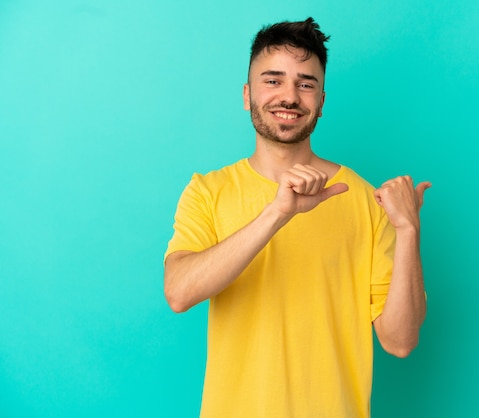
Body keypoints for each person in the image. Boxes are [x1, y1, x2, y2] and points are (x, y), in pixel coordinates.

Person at [164, 17, 430, 418]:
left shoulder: (363, 197)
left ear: (321, 101)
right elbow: (179, 293)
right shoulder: (208, 191)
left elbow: (400, 341)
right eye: (273, 80)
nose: (289, 96)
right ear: (246, 94)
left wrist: (408, 230)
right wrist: (277, 213)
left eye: (305, 84)